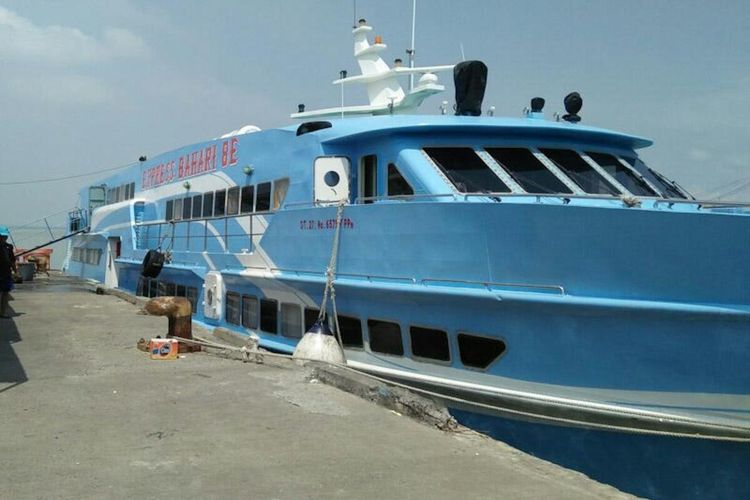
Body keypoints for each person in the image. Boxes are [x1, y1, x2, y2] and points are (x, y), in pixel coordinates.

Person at [0, 226, 16, 318]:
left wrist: (15, 271)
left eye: (5, 236)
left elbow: (12, 260)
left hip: (6, 272)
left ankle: (2, 312)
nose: (4, 238)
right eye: (2, 236)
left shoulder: (9, 247)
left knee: (5, 292)